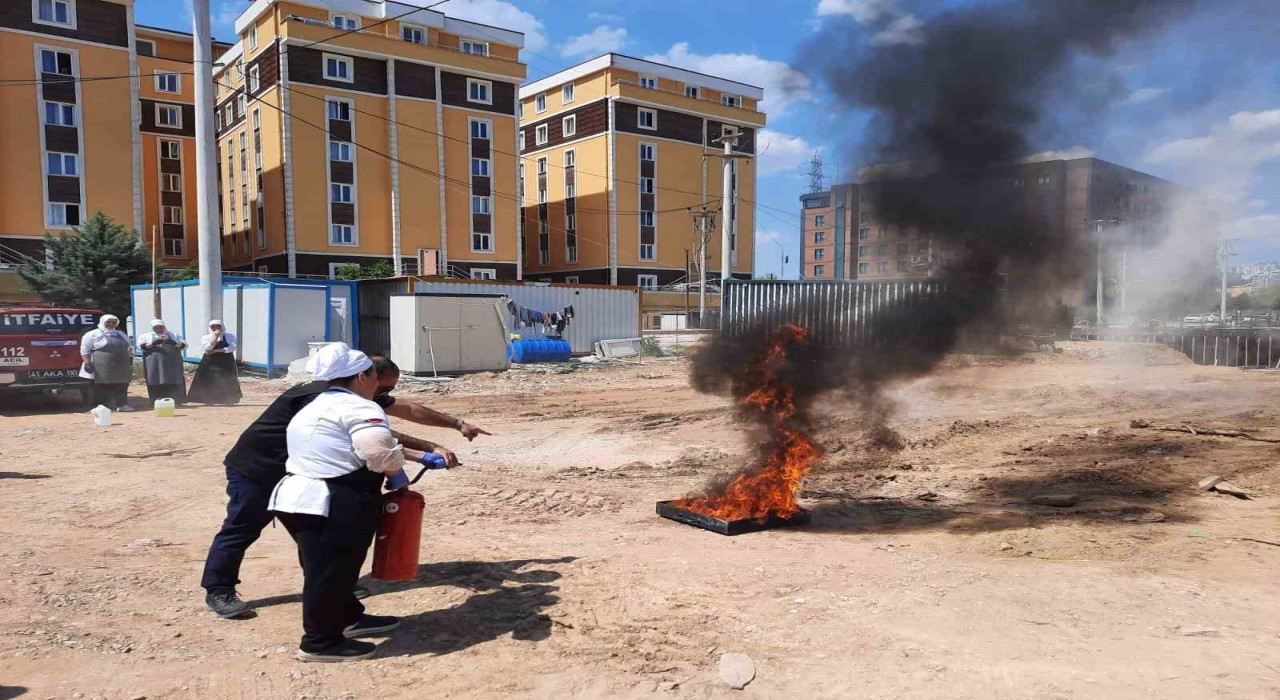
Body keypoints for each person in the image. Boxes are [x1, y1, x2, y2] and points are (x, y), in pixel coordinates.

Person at [201, 345, 489, 619]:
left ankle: (331, 590)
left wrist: (457, 424)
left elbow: (407, 409)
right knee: (242, 528)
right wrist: (425, 450)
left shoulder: (353, 391)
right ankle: (219, 590)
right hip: (259, 470)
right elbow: (375, 438)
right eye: (382, 386)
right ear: (363, 376)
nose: (383, 393)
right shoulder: (322, 396)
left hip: (302, 472)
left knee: (315, 537)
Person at [269, 345, 439, 662]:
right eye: (376, 378)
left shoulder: (316, 405)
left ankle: (347, 618)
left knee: (332, 569)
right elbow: (376, 450)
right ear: (362, 376)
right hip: (332, 500)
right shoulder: (360, 408)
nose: (378, 386)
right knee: (331, 572)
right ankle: (319, 643)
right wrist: (395, 470)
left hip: (296, 497)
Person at [79, 314, 134, 411]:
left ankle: (122, 405)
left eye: (113, 322)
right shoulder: (92, 334)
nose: (111, 324)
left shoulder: (121, 334)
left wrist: (129, 361)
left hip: (120, 365)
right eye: (108, 322)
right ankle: (99, 407)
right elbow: (85, 350)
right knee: (101, 386)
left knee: (122, 384)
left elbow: (129, 348)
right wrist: (87, 363)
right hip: (101, 365)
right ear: (103, 322)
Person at [188, 320, 242, 405]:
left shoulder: (230, 336)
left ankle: (228, 399)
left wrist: (216, 351)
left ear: (222, 326)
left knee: (227, 378)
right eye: (213, 327)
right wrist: (215, 337)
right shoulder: (205, 337)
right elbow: (208, 348)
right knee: (209, 379)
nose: (215, 328)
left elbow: (233, 347)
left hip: (226, 360)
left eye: (218, 326)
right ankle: (209, 400)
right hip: (210, 361)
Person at [137, 319, 188, 405]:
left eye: (161, 327)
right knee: (155, 379)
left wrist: (172, 342)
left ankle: (176, 401)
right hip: (154, 363)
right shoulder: (145, 336)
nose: (159, 329)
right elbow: (141, 347)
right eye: (156, 327)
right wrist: (154, 343)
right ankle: (157, 401)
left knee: (173, 379)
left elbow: (184, 346)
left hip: (172, 363)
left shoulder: (173, 335)